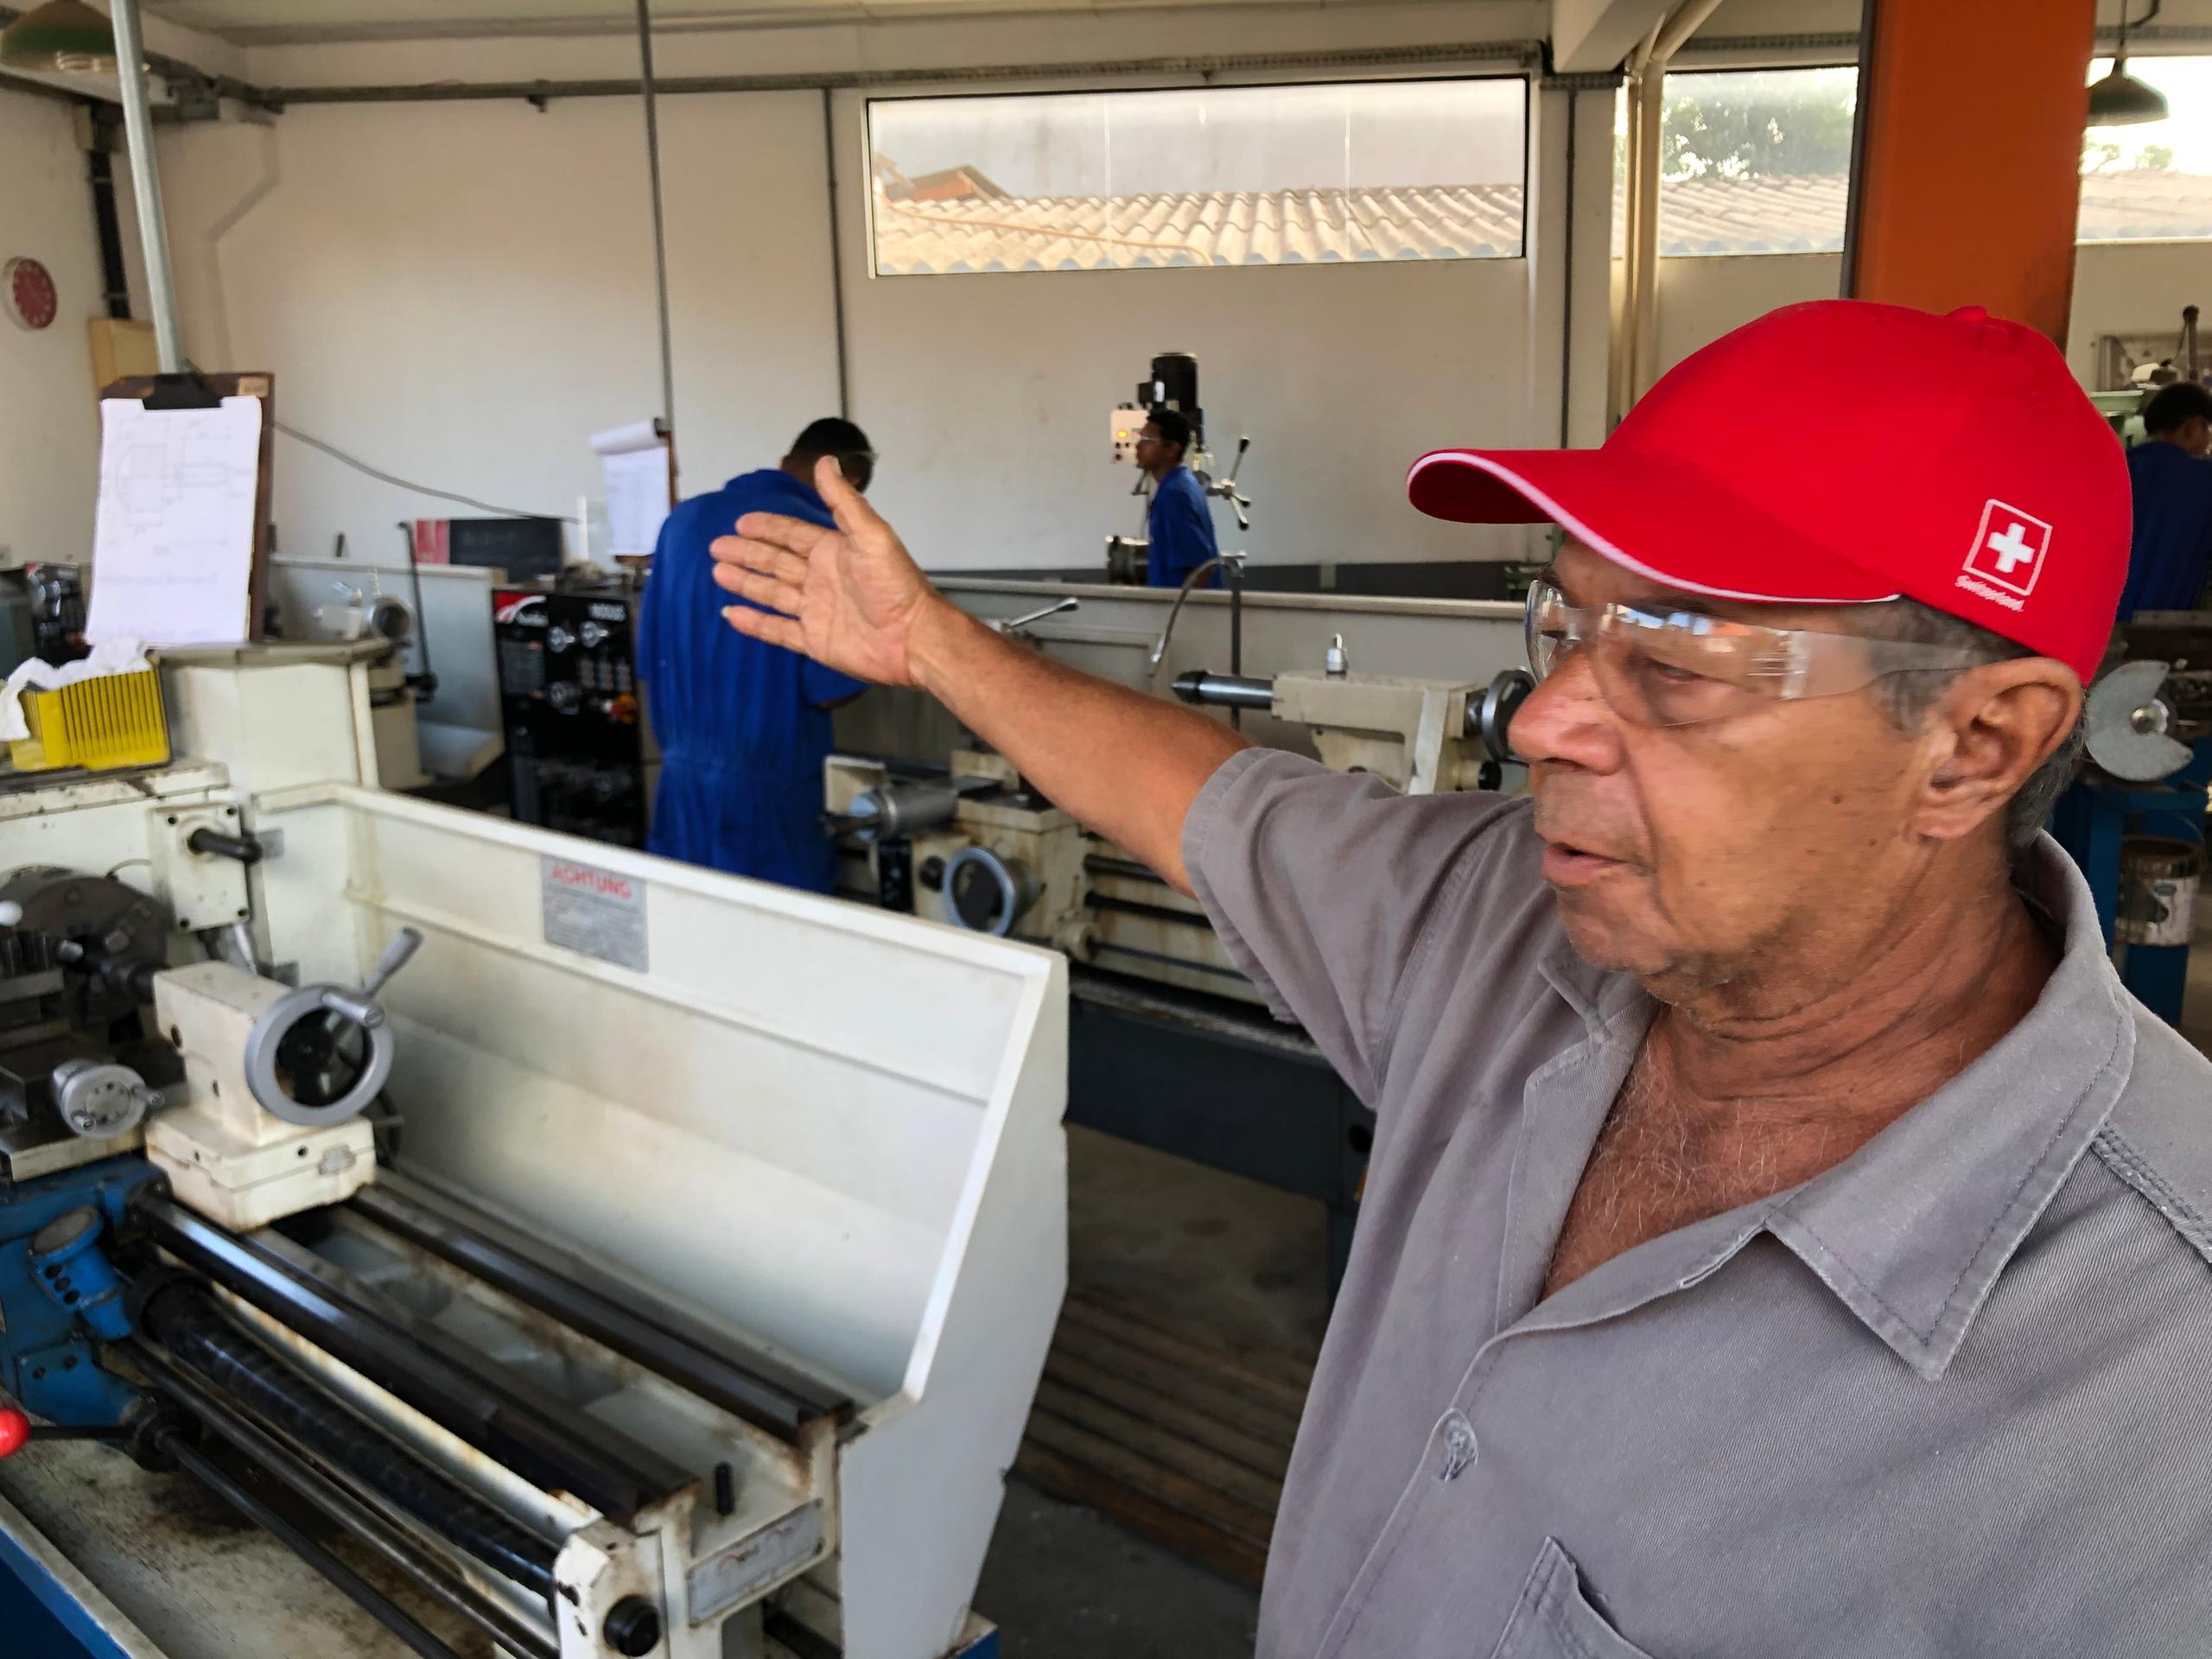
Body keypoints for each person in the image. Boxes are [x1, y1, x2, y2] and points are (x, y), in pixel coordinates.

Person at [712, 302, 2212, 1656]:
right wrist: (933, 646)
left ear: (1979, 746)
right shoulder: (1498, 924)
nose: (1548, 714)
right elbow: (1203, 797)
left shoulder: (2151, 1411)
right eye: (1566, 619)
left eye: (1676, 655)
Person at [636, 418, 874, 893]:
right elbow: (829, 691)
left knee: (686, 940)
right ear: (848, 480)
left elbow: (648, 662)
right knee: (777, 950)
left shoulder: (681, 522)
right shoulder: (821, 538)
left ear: (788, 462)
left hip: (678, 791)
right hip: (772, 805)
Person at [2118, 379, 2212, 618]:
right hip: (2162, 631)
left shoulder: (2115, 469)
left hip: (2094, 627)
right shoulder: (2203, 479)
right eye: (2206, 428)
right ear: (2192, 427)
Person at [1137, 408, 1221, 588]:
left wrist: (1181, 614)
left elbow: (1202, 569)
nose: (1138, 446)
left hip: (1188, 612)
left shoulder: (1174, 495)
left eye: (1146, 440)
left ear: (1172, 449)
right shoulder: (1183, 484)